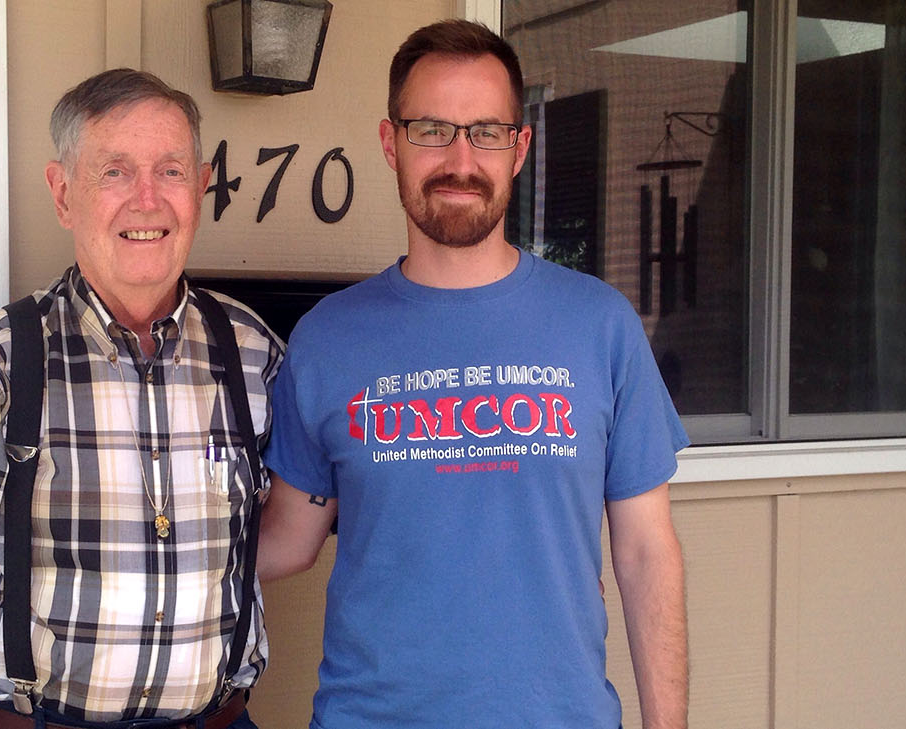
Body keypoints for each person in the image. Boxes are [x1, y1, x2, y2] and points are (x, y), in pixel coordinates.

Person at [257, 19, 689, 729]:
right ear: (390, 141)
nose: (461, 157)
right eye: (432, 128)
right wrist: (139, 561)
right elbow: (287, 541)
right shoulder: (328, 339)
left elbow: (646, 553)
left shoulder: (600, 326)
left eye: (486, 131)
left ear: (520, 148)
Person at [0, 69, 283, 729]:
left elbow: (282, 530)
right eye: (114, 172)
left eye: (171, 171)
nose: (148, 200)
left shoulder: (253, 353)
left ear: (200, 188)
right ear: (63, 195)